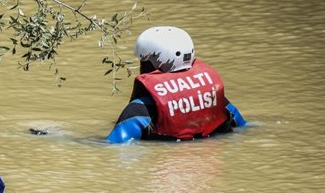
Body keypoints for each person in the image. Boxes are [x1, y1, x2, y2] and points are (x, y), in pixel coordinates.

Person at [106, 26, 247, 144]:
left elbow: (115, 146)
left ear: (151, 64)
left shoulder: (140, 109)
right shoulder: (213, 96)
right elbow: (244, 128)